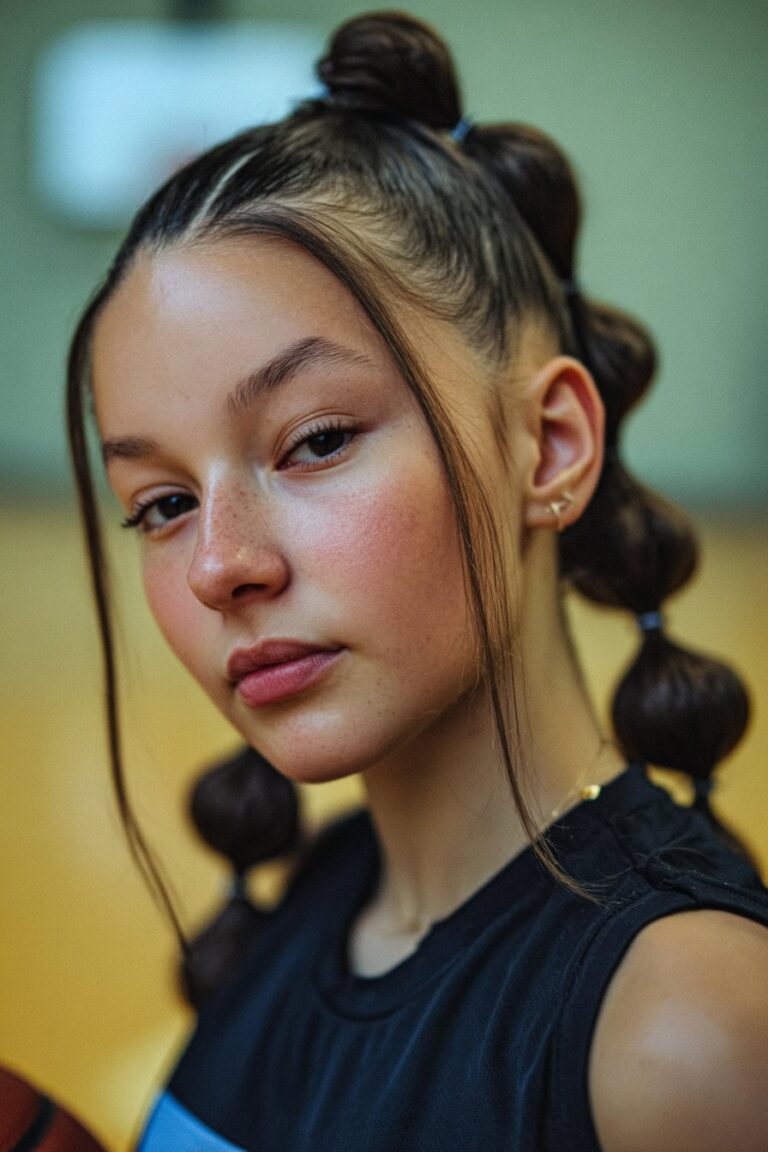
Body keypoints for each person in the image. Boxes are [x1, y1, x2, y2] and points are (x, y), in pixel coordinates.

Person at [66, 11, 768, 1151]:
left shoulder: (686, 1030)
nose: (218, 566)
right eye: (162, 503)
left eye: (317, 440)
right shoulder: (328, 895)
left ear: (547, 449)